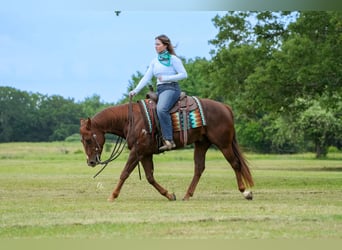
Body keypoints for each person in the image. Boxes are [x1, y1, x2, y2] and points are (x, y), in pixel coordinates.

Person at [129, 34, 188, 151]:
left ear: (165, 46)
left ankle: (169, 140)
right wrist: (135, 90)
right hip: (160, 90)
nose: (155, 46)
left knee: (161, 109)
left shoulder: (173, 59)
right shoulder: (154, 61)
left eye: (158, 44)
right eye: (155, 44)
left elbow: (184, 74)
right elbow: (146, 77)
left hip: (171, 88)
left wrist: (166, 78)